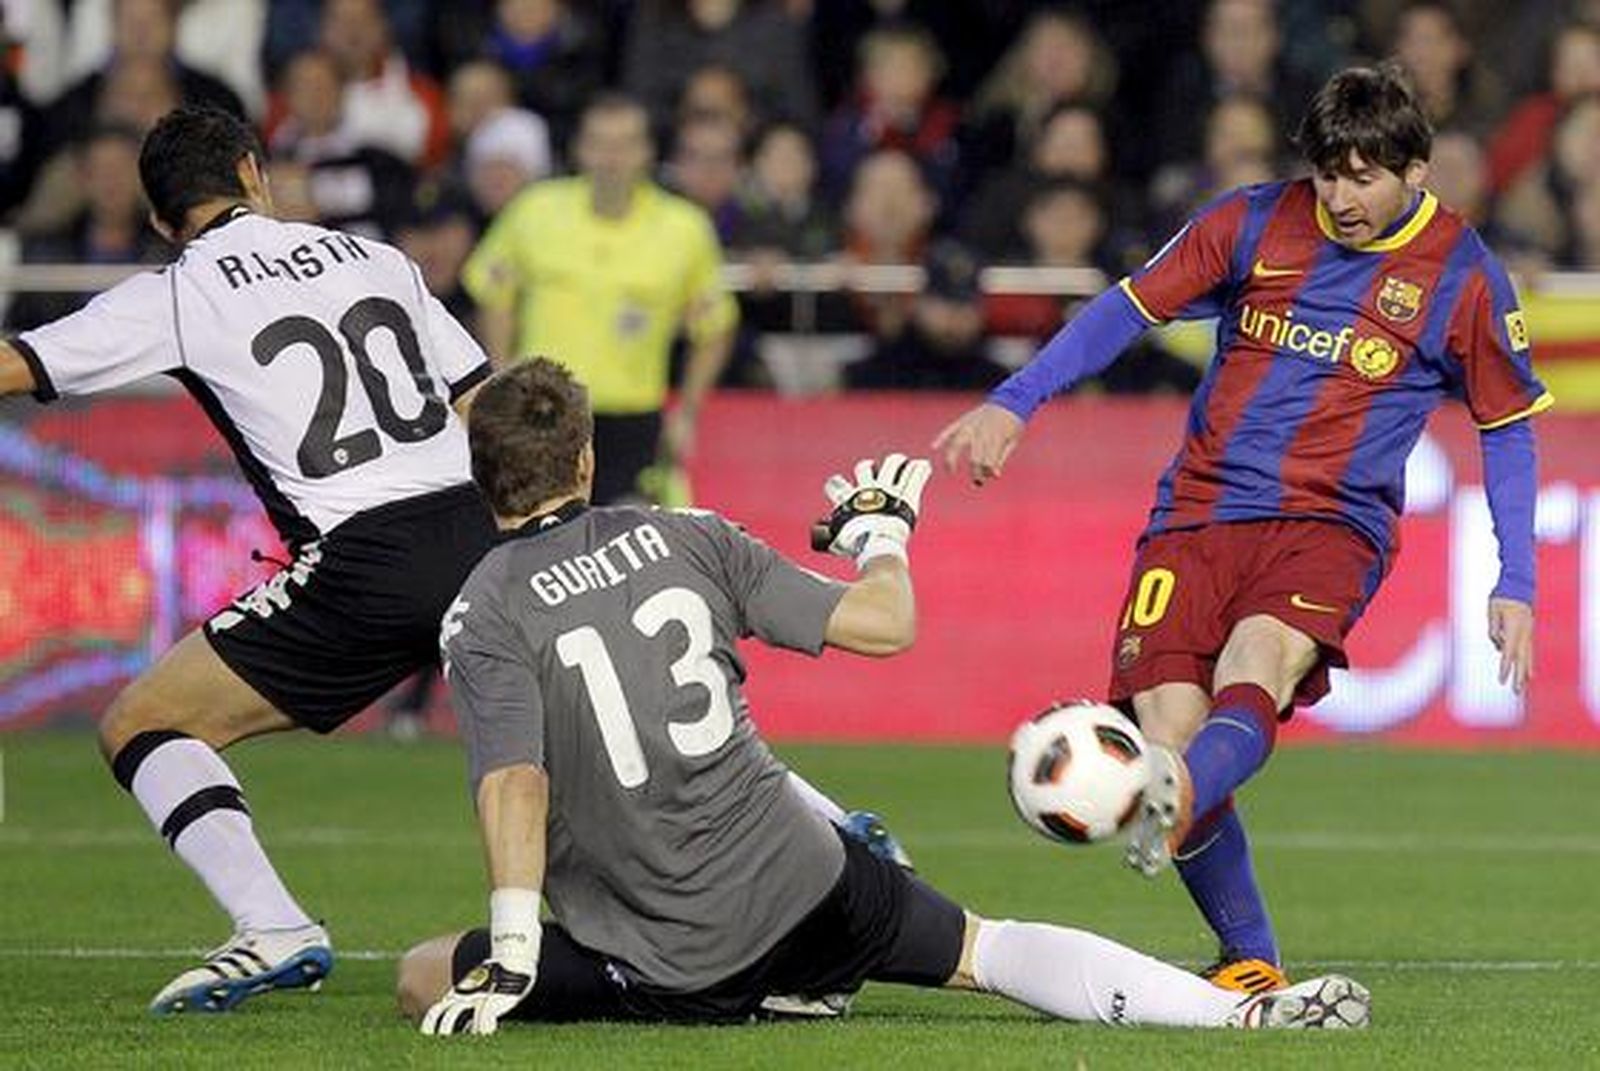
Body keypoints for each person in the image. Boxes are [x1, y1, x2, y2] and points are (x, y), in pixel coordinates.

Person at [394, 358, 1370, 1035]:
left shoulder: (481, 612)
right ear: (585, 461)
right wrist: (882, 537)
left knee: (419, 974)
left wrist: (513, 949)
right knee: (985, 949)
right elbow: (883, 624)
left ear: (480, 475)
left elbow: (514, 781)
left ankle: (786, 978)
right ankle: (1240, 1010)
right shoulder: (688, 535)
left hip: (660, 955)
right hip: (808, 884)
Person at [935, 64, 1548, 994]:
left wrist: (1518, 578)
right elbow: (1129, 307)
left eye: (1364, 178)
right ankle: (1250, 957)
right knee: (1169, 726)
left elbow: (1506, 428)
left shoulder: (1463, 275)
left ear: (1416, 172)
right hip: (1197, 510)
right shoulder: (1253, 220)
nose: (1341, 198)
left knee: (1257, 659)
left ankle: (1176, 795)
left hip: (1330, 520)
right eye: (1328, 175)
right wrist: (1014, 401)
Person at [0, 105, 503, 1014]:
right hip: (480, 527)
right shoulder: (378, 258)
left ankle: (273, 924)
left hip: (364, 559)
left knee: (145, 723)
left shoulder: (178, 292)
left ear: (162, 220)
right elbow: (484, 401)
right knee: (579, 723)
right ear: (251, 171)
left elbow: (18, 365)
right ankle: (776, 866)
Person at [461, 93, 738, 505]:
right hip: (541, 413)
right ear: (580, 149)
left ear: (647, 151)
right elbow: (494, 292)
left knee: (632, 533)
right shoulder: (535, 210)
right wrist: (501, 380)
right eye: (600, 143)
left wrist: (688, 411)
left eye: (625, 144)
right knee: (535, 530)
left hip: (632, 419)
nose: (612, 157)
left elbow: (716, 326)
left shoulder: (684, 228)